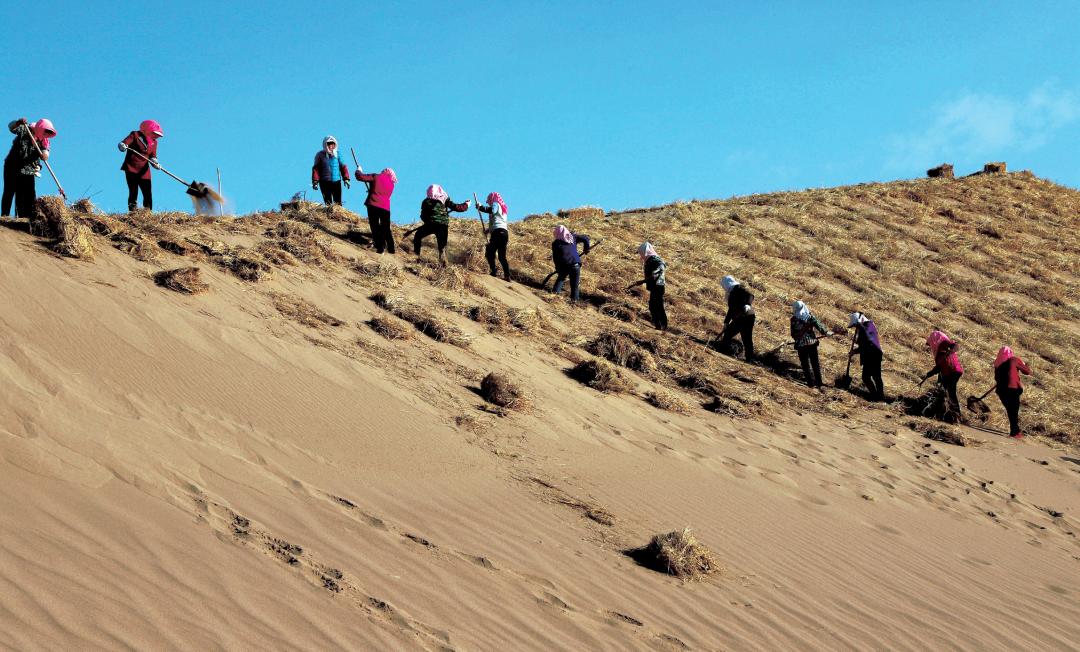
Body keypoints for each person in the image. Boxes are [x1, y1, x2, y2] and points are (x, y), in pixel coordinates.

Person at [3, 117, 54, 218]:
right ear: (40, 128)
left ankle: (25, 218)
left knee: (28, 194)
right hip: (12, 166)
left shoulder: (44, 141)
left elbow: (45, 153)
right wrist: (18, 122)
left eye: (49, 132)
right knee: (10, 190)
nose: (47, 134)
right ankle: (5, 216)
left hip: (28, 170)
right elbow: (11, 127)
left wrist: (44, 156)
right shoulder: (25, 129)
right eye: (46, 131)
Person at [414, 184, 469, 266]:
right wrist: (466, 205)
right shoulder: (444, 198)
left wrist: (428, 222)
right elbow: (456, 207)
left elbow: (423, 216)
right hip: (442, 226)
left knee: (417, 236)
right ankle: (443, 265)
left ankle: (416, 256)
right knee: (442, 246)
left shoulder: (425, 201)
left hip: (430, 225)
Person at [117, 120, 163, 212]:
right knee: (133, 191)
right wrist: (123, 146)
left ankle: (148, 212)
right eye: (154, 133)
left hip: (144, 171)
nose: (156, 137)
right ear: (147, 130)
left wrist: (155, 163)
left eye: (157, 135)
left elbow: (153, 156)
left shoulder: (154, 143)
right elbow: (123, 144)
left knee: (147, 193)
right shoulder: (135, 135)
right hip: (131, 168)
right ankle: (133, 212)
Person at [923, 330, 964, 421]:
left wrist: (930, 373)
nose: (930, 347)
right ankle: (951, 414)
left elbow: (940, 366)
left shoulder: (942, 347)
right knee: (947, 392)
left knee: (950, 393)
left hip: (951, 372)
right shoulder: (944, 348)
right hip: (952, 372)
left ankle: (955, 415)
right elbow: (942, 366)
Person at [354, 167, 396, 253]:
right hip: (386, 208)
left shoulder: (376, 176)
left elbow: (360, 177)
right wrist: (371, 190)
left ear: (383, 172)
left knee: (375, 226)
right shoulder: (392, 184)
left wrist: (359, 170)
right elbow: (381, 192)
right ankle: (391, 248)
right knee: (386, 228)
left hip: (373, 204)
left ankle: (380, 247)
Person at [993, 346, 1032, 439]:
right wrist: (1026, 364)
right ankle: (1015, 432)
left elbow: (996, 378)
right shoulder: (1014, 359)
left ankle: (1015, 430)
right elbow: (1027, 371)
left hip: (1001, 390)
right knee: (1014, 411)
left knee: (1010, 411)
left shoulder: (997, 363)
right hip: (1012, 388)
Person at [627, 242, 667, 330]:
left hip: (658, 286)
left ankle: (661, 326)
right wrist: (644, 281)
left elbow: (662, 266)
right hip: (656, 286)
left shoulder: (655, 259)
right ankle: (661, 325)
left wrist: (647, 278)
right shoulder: (649, 259)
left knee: (655, 306)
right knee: (657, 306)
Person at [791, 300, 829, 387]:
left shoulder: (793, 319)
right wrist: (826, 332)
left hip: (801, 345)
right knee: (815, 364)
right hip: (812, 343)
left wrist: (799, 337)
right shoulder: (810, 317)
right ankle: (819, 383)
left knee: (805, 365)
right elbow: (820, 327)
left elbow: (793, 334)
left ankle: (810, 384)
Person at [848, 311, 884, 400]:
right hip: (870, 355)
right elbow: (864, 343)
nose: (855, 327)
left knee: (872, 377)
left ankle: (878, 396)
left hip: (873, 355)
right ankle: (876, 395)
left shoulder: (868, 326)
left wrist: (854, 351)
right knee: (870, 377)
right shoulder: (865, 326)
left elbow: (867, 343)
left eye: (855, 325)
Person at [717, 275, 755, 360]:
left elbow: (731, 309)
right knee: (747, 338)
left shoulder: (736, 291)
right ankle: (750, 358)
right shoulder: (738, 290)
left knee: (728, 334)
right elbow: (731, 309)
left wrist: (726, 322)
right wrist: (726, 322)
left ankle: (723, 351)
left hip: (743, 317)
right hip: (750, 315)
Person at [477, 191, 510, 280]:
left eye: (488, 200)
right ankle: (507, 275)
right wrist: (488, 230)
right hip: (504, 233)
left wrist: (481, 207)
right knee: (502, 257)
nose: (488, 202)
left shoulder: (496, 204)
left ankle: (493, 272)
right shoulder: (503, 208)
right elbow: (497, 222)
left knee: (489, 252)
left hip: (497, 233)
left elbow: (492, 211)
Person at [311, 136, 350, 206]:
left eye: (332, 144)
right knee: (328, 202)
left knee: (337, 202)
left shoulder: (338, 154)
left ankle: (338, 216)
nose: (331, 146)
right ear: (325, 145)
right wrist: (315, 181)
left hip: (336, 181)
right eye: (329, 144)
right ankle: (329, 214)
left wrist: (346, 179)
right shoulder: (320, 155)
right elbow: (316, 169)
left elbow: (343, 167)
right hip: (324, 182)